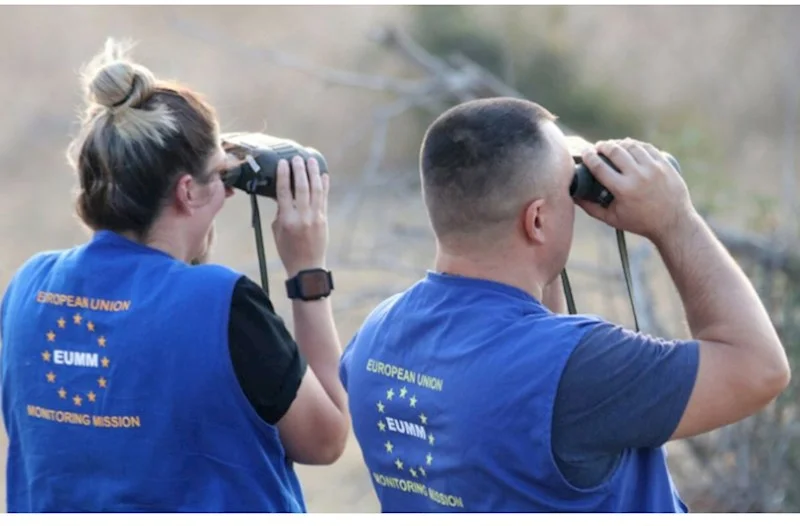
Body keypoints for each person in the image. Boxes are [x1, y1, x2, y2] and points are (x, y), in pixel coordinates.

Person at [338, 97, 791, 513]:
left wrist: (546, 183)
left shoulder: (374, 338)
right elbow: (758, 368)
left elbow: (516, 382)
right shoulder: (581, 370)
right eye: (567, 190)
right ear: (536, 219)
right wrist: (674, 219)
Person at [0, 39, 349, 512]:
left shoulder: (27, 286)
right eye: (219, 177)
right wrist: (308, 272)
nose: (227, 195)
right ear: (187, 191)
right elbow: (325, 440)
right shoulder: (222, 302)